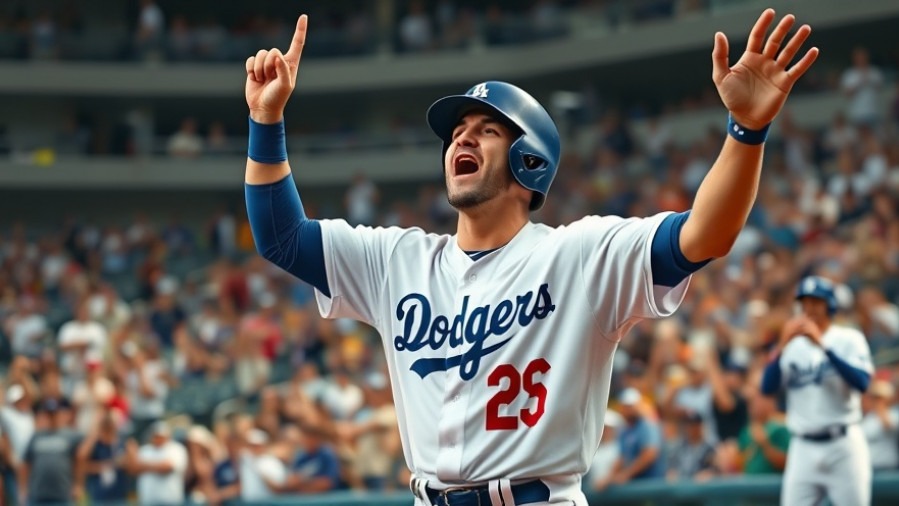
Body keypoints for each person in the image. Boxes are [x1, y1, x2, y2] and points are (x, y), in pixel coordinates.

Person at [243, 10, 819, 505]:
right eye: (457, 131)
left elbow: (704, 236)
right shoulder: (398, 261)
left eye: (486, 130)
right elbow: (282, 238)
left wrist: (746, 131)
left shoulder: (578, 255)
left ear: (530, 161)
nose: (462, 139)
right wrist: (266, 123)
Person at [761, 275, 874, 506]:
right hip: (803, 447)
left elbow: (862, 383)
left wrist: (823, 346)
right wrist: (781, 345)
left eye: (816, 302)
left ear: (829, 304)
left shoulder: (849, 338)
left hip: (843, 445)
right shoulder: (792, 346)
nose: (809, 308)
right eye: (805, 302)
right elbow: (767, 388)